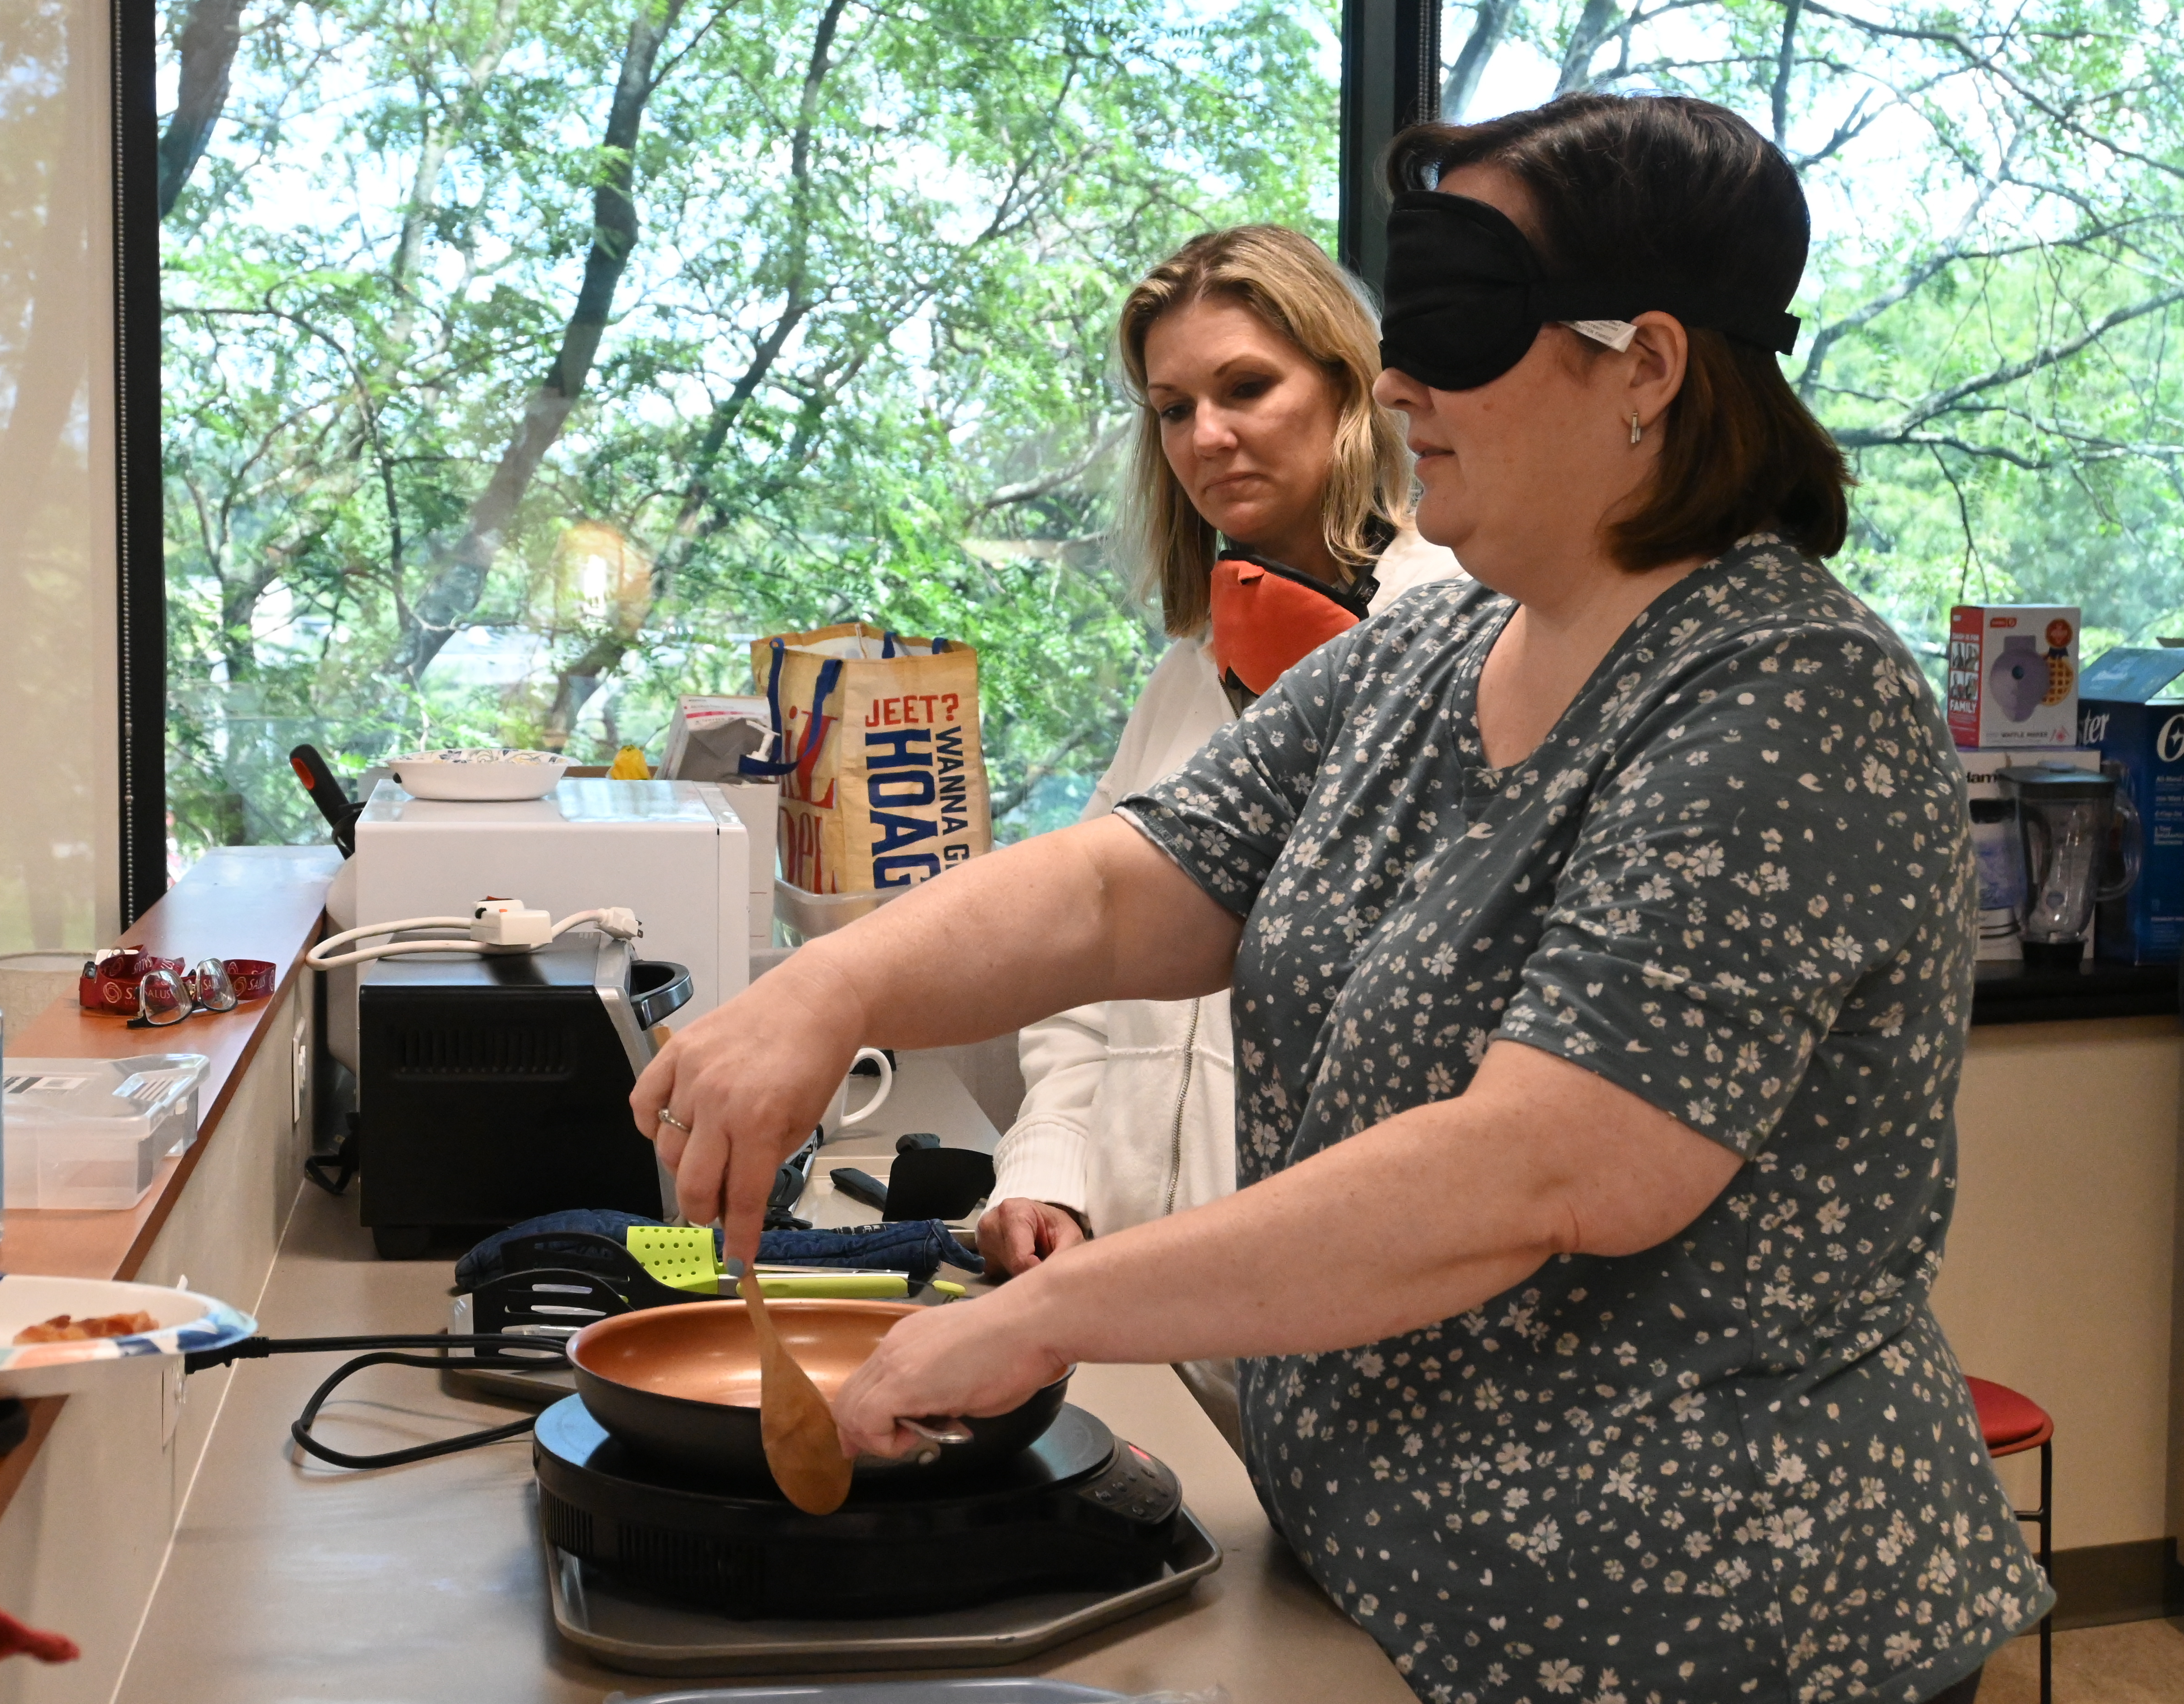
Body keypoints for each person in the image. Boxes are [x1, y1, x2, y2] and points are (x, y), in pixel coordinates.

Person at [636, 92, 2045, 1702]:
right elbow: (1129, 888)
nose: (1397, 380)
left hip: (1704, 1635)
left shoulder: (1786, 693)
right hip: (1387, 1589)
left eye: (1459, 320)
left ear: (1646, 365)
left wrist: (1052, 1315)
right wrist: (831, 990)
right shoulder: (1432, 653)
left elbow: (1543, 1167)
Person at [985, 226, 1459, 1441]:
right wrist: (1051, 1162)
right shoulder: (1188, 675)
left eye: (1247, 388)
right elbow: (1082, 960)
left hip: (1358, 1327)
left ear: (1352, 388)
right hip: (1146, 1314)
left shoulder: (1474, 648)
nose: (1206, 436)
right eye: (1171, 407)